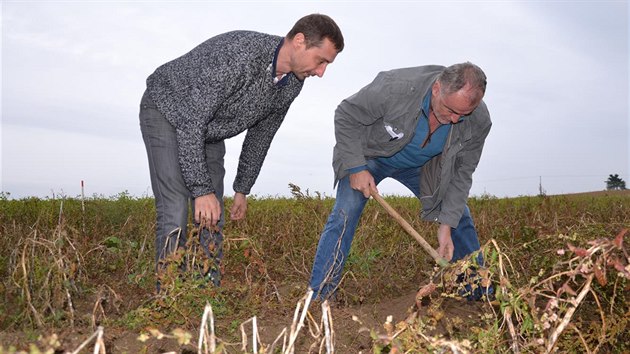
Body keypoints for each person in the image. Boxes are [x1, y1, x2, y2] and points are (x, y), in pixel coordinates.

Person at [139, 14, 344, 289]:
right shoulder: (238, 55)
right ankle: (170, 297)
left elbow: (261, 134)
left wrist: (242, 188)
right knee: (176, 204)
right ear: (299, 41)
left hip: (209, 129)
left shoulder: (293, 83)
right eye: (321, 61)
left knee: (213, 213)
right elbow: (191, 122)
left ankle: (205, 295)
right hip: (167, 109)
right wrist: (201, 190)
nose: (321, 72)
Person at [309, 62, 492, 301]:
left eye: (463, 114)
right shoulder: (395, 87)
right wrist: (356, 168)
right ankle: (320, 297)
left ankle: (479, 293)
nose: (455, 120)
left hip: (424, 167)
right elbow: (346, 114)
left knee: (460, 217)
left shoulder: (478, 121)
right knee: (346, 211)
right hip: (370, 156)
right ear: (436, 89)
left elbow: (461, 174)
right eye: (450, 110)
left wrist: (446, 225)